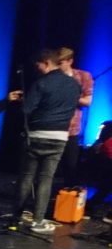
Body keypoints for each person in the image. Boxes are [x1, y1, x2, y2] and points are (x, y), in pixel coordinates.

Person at [13, 49, 81, 234]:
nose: (38, 69)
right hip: (60, 136)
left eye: (38, 66)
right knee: (46, 178)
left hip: (36, 135)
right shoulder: (75, 85)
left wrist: (24, 101)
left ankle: (16, 217)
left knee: (27, 176)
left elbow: (26, 110)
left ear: (46, 63)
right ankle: (38, 221)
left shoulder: (41, 83)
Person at [56, 47, 94, 186]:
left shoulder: (83, 76)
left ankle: (68, 198)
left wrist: (69, 96)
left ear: (70, 61)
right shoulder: (52, 77)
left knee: (70, 166)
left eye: (60, 63)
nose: (58, 66)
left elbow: (87, 101)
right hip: (52, 126)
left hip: (71, 128)